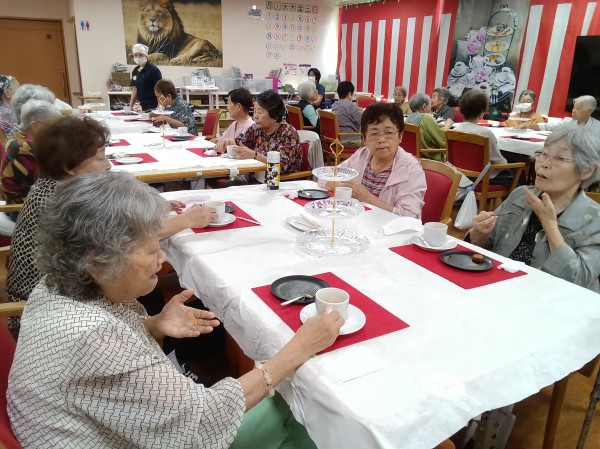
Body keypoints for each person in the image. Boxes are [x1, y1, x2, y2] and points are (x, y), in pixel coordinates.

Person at [7, 171, 343, 448]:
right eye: (150, 250)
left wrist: (153, 325)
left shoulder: (53, 286)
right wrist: (300, 347)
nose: (163, 258)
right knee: (302, 413)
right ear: (96, 262)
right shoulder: (93, 338)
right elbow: (202, 423)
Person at [6, 115, 216, 336]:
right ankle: (157, 344)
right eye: (100, 157)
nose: (108, 164)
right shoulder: (63, 200)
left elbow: (114, 224)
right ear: (69, 167)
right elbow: (124, 240)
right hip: (46, 312)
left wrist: (147, 209)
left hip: (60, 292)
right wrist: (187, 220)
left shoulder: (57, 187)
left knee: (148, 287)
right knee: (147, 292)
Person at [467, 124, 600, 292]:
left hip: (554, 302)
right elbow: (487, 249)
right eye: (544, 154)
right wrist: (479, 235)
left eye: (559, 158)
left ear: (586, 170)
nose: (544, 164)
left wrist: (550, 225)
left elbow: (579, 282)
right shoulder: (521, 196)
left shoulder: (595, 220)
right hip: (501, 290)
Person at [319, 102, 426, 217]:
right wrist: (342, 188)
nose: (381, 140)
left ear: (400, 136)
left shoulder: (411, 169)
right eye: (374, 133)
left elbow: (410, 217)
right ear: (364, 138)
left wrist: (366, 197)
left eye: (389, 133)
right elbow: (325, 176)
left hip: (387, 227)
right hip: (356, 223)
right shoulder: (362, 155)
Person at [221, 90, 302, 183]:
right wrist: (227, 142)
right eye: (254, 111)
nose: (255, 116)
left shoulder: (288, 133)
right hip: (254, 181)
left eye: (259, 112)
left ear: (275, 115)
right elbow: (240, 143)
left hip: (279, 184)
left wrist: (255, 156)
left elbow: (281, 167)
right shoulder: (256, 129)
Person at [1, 99, 60, 206]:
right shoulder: (27, 146)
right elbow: (53, 177)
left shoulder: (18, 136)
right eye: (52, 125)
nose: (56, 130)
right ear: (35, 125)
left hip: (28, 197)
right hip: (23, 205)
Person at [453, 90, 518, 186]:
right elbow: (499, 163)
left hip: (460, 176)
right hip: (481, 179)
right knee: (519, 174)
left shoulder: (454, 130)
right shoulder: (485, 133)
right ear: (482, 111)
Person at [406, 93, 452, 159]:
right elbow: (442, 139)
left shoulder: (408, 118)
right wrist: (447, 126)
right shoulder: (426, 117)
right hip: (429, 158)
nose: (431, 107)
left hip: (412, 157)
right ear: (424, 106)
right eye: (430, 104)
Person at [526, 95, 600, 133]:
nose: (573, 111)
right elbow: (548, 127)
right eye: (574, 108)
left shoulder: (597, 127)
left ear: (589, 111)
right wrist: (528, 126)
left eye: (578, 109)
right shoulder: (568, 122)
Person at [212, 88, 255, 153]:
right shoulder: (234, 124)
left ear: (238, 106)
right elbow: (222, 138)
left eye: (229, 103)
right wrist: (217, 141)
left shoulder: (251, 127)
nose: (227, 107)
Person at [129, 43, 162, 112]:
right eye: (135, 55)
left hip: (154, 106)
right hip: (142, 106)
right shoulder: (135, 71)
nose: (137, 57)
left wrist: (159, 107)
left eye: (140, 55)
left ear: (146, 56)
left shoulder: (153, 70)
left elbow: (160, 90)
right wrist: (130, 106)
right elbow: (135, 89)